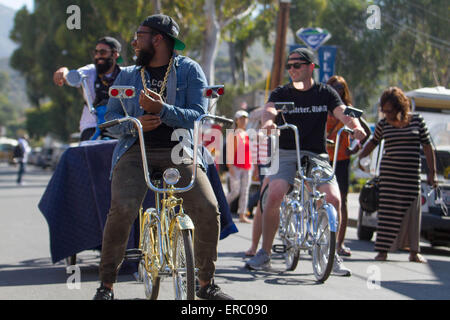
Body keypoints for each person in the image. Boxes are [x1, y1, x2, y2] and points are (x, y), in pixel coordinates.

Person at [93, 14, 232, 300]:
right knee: (122, 209)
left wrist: (164, 110)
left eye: (139, 35)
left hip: (179, 150)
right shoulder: (129, 74)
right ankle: (106, 286)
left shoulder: (190, 70)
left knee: (208, 209)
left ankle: (206, 283)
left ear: (157, 39)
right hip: (135, 150)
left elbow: (198, 113)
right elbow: (110, 119)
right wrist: (136, 123)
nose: (134, 41)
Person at [245, 48, 366, 276]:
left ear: (311, 67)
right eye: (289, 66)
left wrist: (356, 127)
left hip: (316, 155)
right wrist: (269, 122)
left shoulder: (325, 93)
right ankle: (265, 253)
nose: (292, 69)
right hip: (288, 152)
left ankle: (332, 253)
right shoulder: (282, 92)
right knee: (275, 192)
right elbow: (269, 109)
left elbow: (343, 112)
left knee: (334, 198)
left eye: (297, 65)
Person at [358, 87, 437, 263]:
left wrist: (433, 173)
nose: (387, 114)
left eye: (390, 111)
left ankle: (414, 252)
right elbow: (373, 142)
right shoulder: (383, 124)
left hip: (410, 177)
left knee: (411, 214)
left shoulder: (417, 121)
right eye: (384, 111)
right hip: (389, 177)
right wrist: (361, 156)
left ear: (400, 107)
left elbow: (427, 146)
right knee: (387, 214)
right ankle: (382, 251)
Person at [326, 75, 371, 257]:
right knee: (318, 198)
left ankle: (339, 244)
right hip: (321, 157)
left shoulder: (347, 110)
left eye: (340, 88)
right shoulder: (322, 107)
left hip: (341, 159)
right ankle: (318, 238)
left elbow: (366, 131)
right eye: (334, 87)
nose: (337, 90)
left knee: (341, 200)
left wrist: (354, 150)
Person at [53, 36, 122, 141]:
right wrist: (64, 71)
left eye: (102, 52)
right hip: (91, 125)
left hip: (118, 124)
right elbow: (73, 76)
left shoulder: (125, 74)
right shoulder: (90, 71)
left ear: (115, 54)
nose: (98, 56)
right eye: (96, 52)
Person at [226, 110, 253, 223]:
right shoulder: (233, 134)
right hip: (236, 166)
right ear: (236, 120)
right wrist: (230, 166)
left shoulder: (246, 134)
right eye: (241, 118)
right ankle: (220, 208)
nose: (243, 120)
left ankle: (242, 215)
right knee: (235, 191)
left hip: (247, 166)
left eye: (245, 118)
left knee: (245, 191)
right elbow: (230, 151)